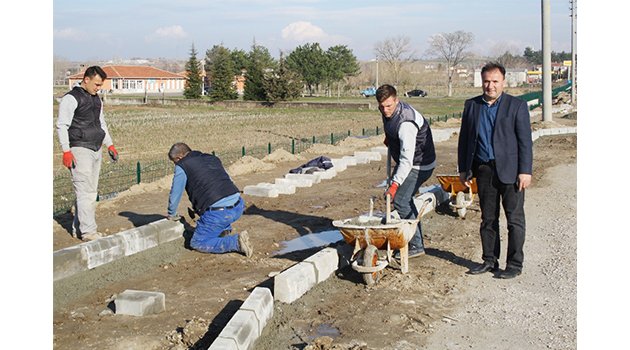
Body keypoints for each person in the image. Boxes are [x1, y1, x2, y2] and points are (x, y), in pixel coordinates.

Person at [457, 62, 533, 279]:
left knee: (514, 220)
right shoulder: (472, 105)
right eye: (486, 81)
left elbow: (525, 142)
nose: (490, 86)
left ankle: (514, 264)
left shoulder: (516, 106)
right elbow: (464, 139)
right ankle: (489, 260)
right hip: (484, 170)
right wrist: (463, 168)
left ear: (503, 82)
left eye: (495, 81)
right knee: (488, 219)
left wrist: (525, 170)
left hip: (511, 172)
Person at [56, 66, 119, 241]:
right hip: (79, 148)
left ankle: (78, 229)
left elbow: (101, 123)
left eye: (100, 85)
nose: (98, 88)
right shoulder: (71, 98)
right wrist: (66, 151)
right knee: (85, 191)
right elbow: (62, 125)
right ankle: (89, 232)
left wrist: (110, 145)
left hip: (96, 147)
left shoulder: (96, 99)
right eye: (97, 84)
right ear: (86, 79)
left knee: (90, 191)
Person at [376, 84, 436, 258]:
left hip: (419, 164)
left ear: (397, 100)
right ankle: (412, 236)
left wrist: (394, 185)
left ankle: (416, 245)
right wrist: (390, 137)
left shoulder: (406, 123)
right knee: (405, 199)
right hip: (411, 161)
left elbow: (406, 160)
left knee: (401, 200)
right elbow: (390, 123)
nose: (385, 110)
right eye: (381, 106)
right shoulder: (389, 111)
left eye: (389, 106)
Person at [166, 142, 253, 257]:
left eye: (174, 162)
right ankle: (223, 231)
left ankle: (236, 242)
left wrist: (172, 213)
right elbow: (227, 179)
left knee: (197, 242)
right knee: (216, 213)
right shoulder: (211, 158)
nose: (175, 165)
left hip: (219, 213)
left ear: (179, 157)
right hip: (238, 205)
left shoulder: (182, 165)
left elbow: (176, 192)